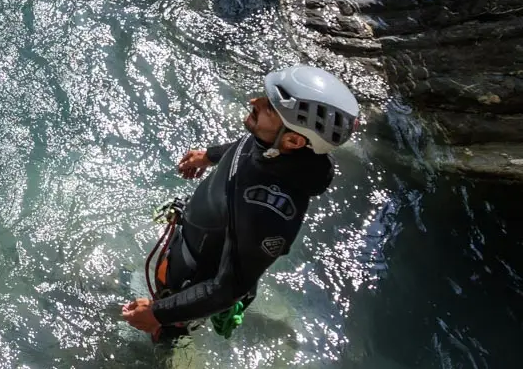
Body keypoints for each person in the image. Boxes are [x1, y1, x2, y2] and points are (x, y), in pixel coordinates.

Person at [121, 65, 361, 343]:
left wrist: (159, 314)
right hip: (189, 242)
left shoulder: (267, 213)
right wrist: (210, 156)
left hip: (191, 280)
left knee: (162, 338)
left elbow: (228, 288)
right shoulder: (277, 145)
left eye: (269, 107)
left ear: (294, 140)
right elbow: (250, 147)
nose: (254, 102)